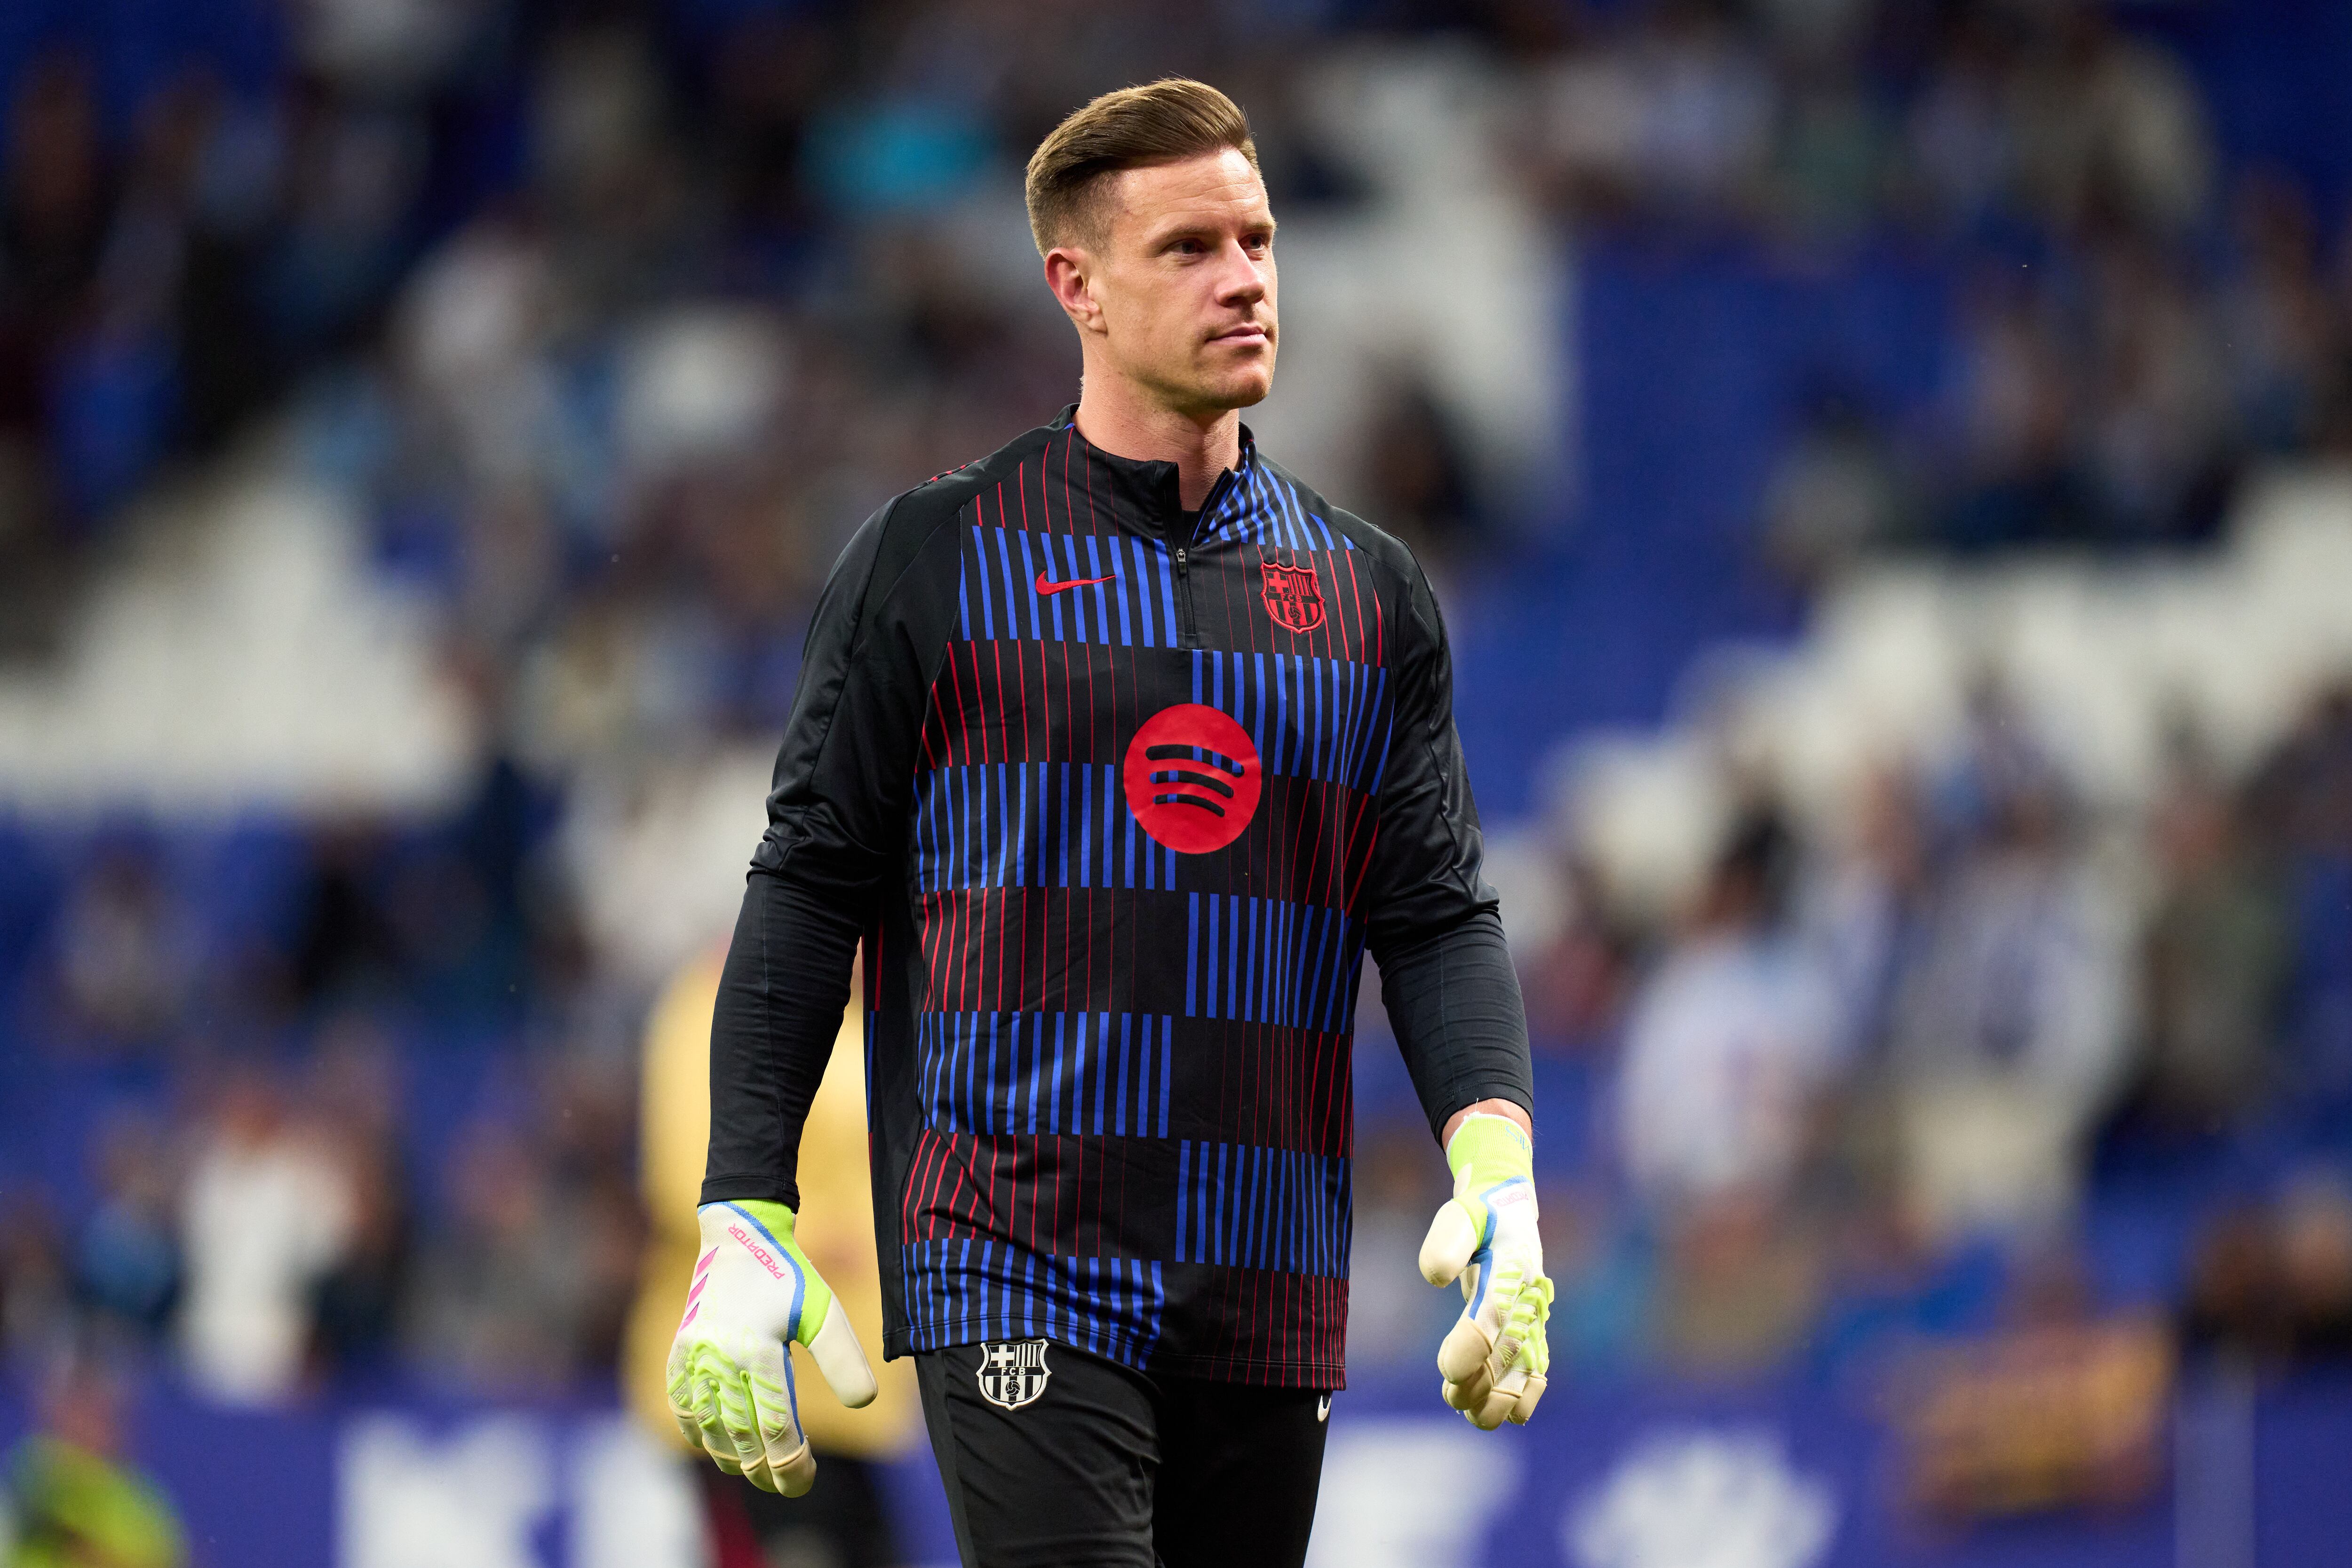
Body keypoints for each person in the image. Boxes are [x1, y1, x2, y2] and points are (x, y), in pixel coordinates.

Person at [662, 79, 1548, 1568]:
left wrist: (1500, 1170)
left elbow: (1440, 911)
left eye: (1258, 239)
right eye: (1190, 247)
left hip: (1266, 1279)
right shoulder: (937, 561)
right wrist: (742, 1201)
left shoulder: (1367, 596)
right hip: (1012, 1258)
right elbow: (809, 884)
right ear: (1076, 285)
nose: (1247, 276)